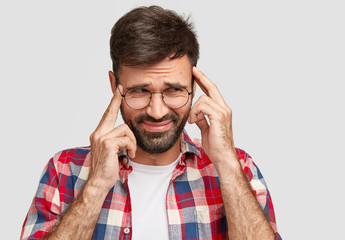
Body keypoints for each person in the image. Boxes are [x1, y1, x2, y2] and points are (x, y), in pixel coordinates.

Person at [20, 5, 281, 240]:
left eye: (174, 90)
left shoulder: (239, 168)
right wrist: (95, 186)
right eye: (140, 91)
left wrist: (226, 163)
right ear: (115, 86)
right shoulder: (64, 170)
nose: (157, 112)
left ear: (194, 87)